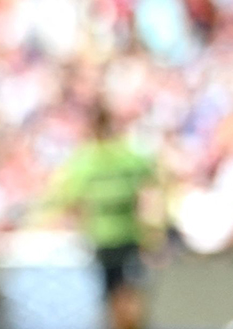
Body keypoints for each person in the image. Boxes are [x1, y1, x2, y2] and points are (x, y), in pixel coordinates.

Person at [44, 104, 162, 329]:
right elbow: (152, 189)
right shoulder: (131, 156)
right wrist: (153, 228)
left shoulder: (85, 160)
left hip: (102, 238)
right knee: (130, 290)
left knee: (111, 293)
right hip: (130, 235)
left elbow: (70, 200)